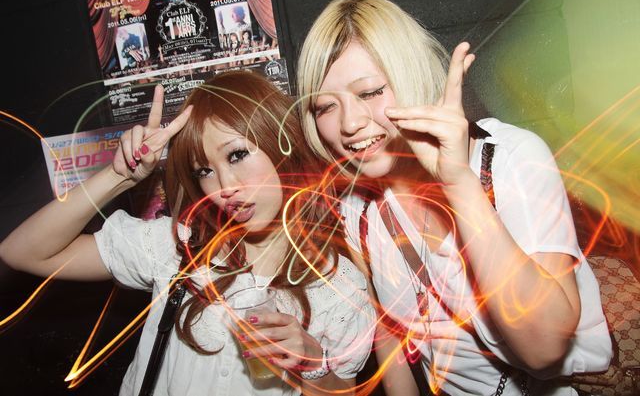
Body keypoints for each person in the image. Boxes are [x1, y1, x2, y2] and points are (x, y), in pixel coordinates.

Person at [295, 0, 612, 395]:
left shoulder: (511, 161)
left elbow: (543, 350)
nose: (349, 123)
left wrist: (459, 184)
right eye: (325, 107)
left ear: (410, 75)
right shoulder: (358, 210)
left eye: (370, 92)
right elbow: (390, 338)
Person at [0, 71, 375, 396]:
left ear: (282, 143)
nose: (225, 186)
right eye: (204, 171)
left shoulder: (338, 286)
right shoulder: (175, 248)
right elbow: (23, 252)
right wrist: (119, 177)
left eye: (237, 155)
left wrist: (311, 363)